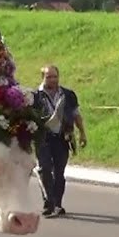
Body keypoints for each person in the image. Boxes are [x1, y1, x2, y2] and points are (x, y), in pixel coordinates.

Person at [34, 64, 86, 217]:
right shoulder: (35, 97)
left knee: (59, 172)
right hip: (43, 138)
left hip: (63, 138)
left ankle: (57, 203)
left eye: (55, 76)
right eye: (49, 76)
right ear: (42, 77)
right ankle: (48, 203)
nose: (53, 79)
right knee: (44, 169)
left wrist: (82, 133)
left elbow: (76, 115)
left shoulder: (68, 95)